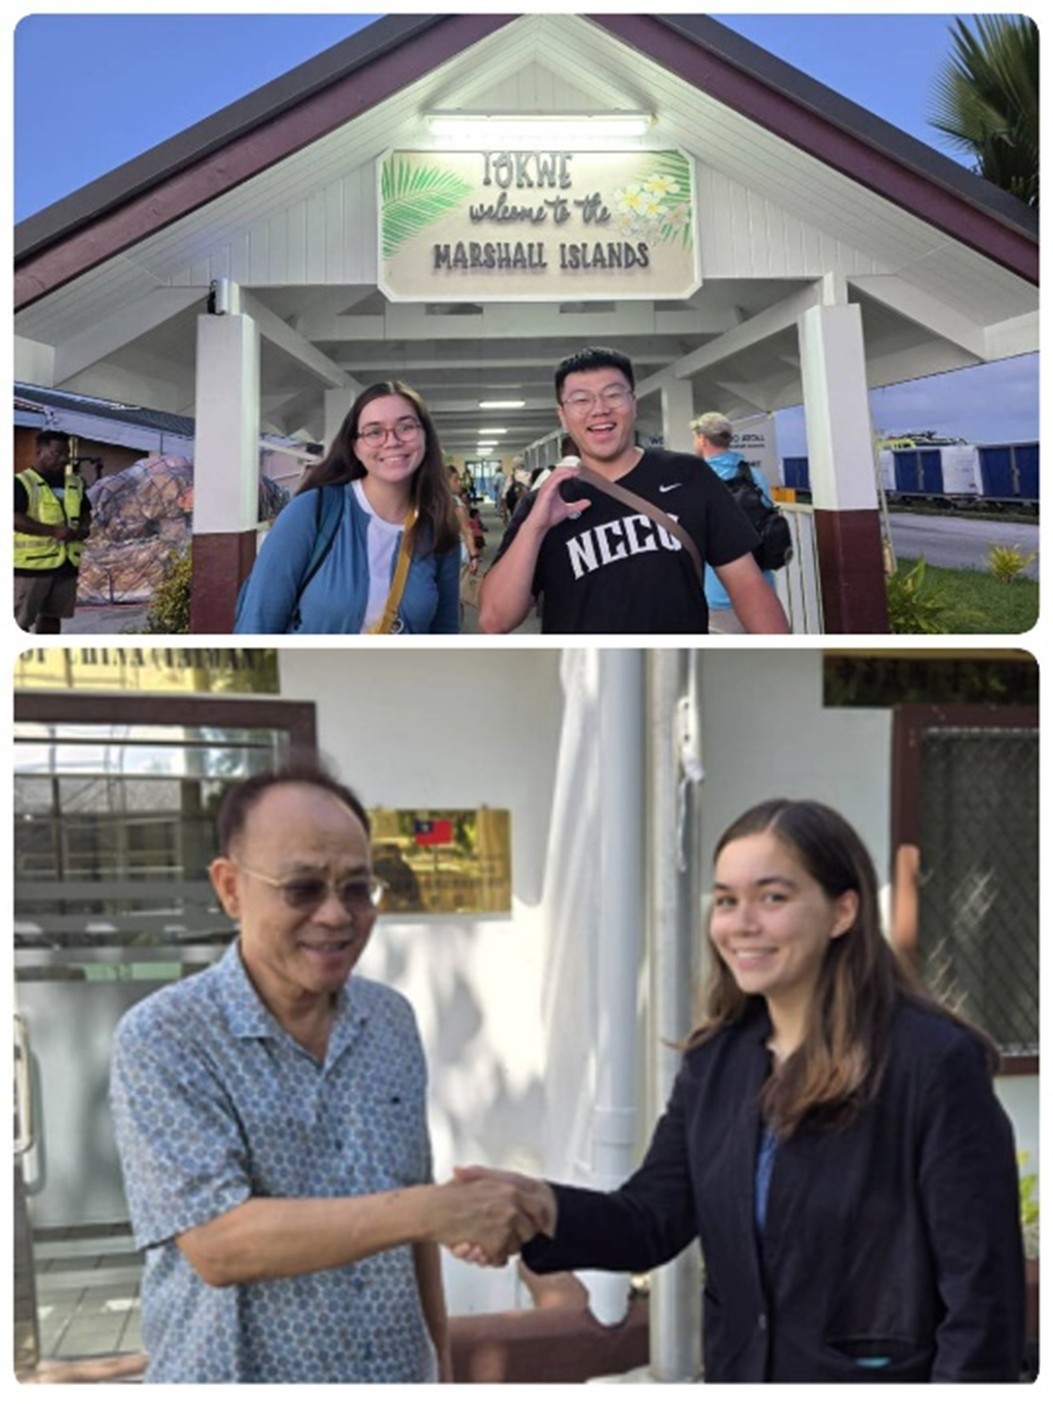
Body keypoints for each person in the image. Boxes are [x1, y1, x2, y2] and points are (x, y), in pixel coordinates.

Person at [456, 799, 1026, 1383]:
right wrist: (538, 1206)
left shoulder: (929, 1063)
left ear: (843, 911)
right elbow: (652, 1218)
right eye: (726, 899)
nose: (741, 923)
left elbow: (983, 1296)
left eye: (772, 897)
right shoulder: (715, 1062)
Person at [110, 762, 547, 1383]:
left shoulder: (389, 1020)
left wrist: (441, 1360)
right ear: (230, 888)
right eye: (303, 889)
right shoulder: (165, 1038)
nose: (337, 915)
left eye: (357, 888)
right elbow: (219, 1244)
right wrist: (435, 1210)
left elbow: (414, 1212)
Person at [478, 348, 790, 635]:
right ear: (563, 415)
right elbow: (495, 619)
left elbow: (748, 586)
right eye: (581, 400)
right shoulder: (548, 500)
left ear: (633, 404)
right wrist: (535, 526)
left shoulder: (689, 476)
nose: (599, 409)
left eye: (613, 395)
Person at [235, 382, 461, 633]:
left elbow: (445, 631)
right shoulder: (312, 512)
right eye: (374, 432)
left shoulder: (438, 526)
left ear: (425, 436)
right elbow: (257, 623)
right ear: (355, 447)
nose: (392, 441)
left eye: (406, 427)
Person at [692, 411, 780, 634]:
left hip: (717, 594)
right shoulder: (754, 475)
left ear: (702, 439)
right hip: (761, 589)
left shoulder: (697, 478)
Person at [14, 430, 91, 632]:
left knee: (52, 617)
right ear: (39, 452)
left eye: (66, 454)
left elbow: (85, 512)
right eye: (57, 453)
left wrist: (84, 527)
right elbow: (13, 518)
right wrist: (52, 531)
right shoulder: (21, 483)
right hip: (30, 568)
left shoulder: (75, 483)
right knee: (19, 622)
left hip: (66, 565)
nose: (64, 459)